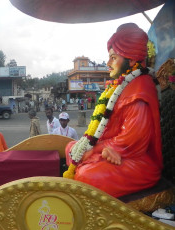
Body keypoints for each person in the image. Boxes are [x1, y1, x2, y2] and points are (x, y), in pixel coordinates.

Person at [64, 23, 163, 198]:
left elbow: (134, 140)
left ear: (131, 60)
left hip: (134, 158)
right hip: (111, 150)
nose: (108, 63)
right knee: (71, 147)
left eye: (113, 58)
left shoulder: (140, 87)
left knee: (85, 176)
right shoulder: (122, 84)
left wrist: (97, 150)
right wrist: (94, 148)